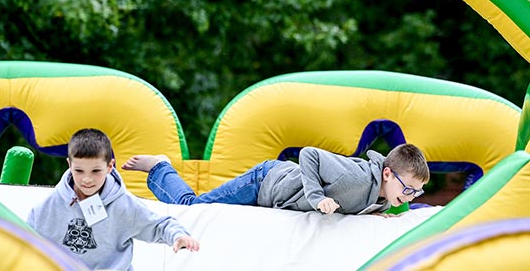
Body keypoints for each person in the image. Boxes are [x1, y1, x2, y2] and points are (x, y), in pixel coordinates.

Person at [27, 128, 199, 271]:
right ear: (69, 165)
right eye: (79, 171)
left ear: (110, 167)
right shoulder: (48, 207)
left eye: (95, 171)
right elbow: (25, 242)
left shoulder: (124, 205)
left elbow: (160, 225)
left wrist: (178, 236)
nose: (87, 179)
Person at [122, 143, 430, 216]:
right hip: (266, 180)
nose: (409, 197)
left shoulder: (382, 198)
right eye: (407, 189)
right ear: (387, 174)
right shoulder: (356, 177)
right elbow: (309, 154)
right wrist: (316, 197)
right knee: (194, 210)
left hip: (273, 194)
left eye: (416, 193)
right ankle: (159, 168)